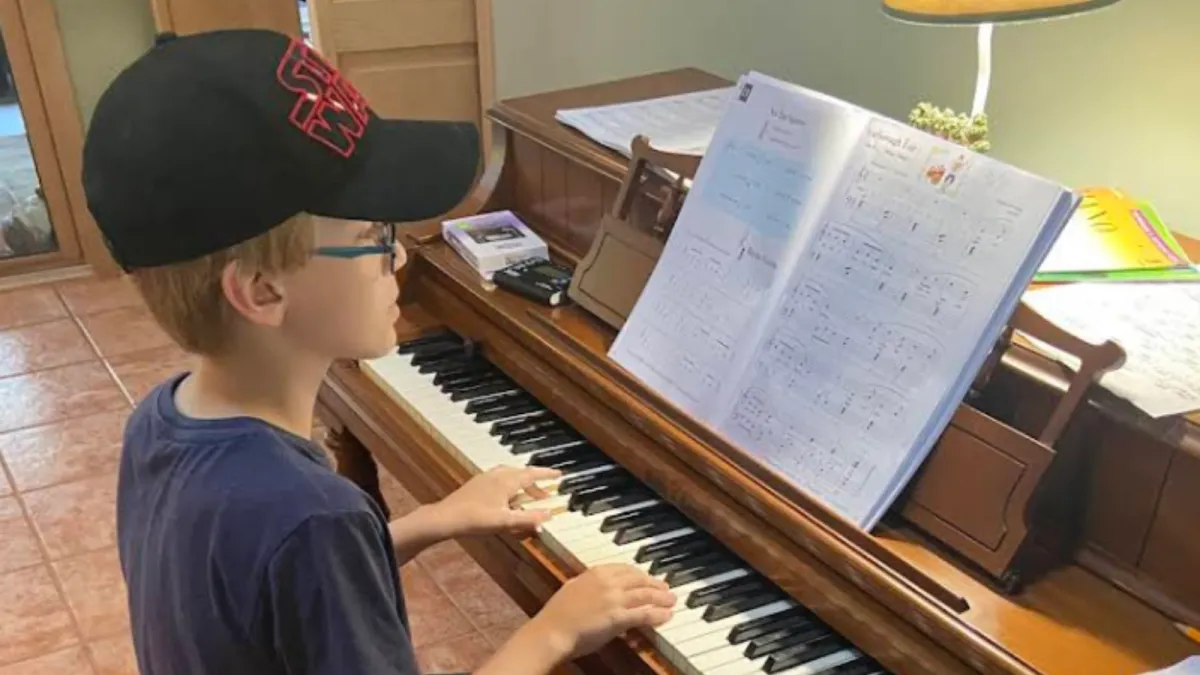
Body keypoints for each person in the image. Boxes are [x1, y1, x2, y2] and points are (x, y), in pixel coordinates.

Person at [82, 28, 676, 675]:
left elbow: (277, 589)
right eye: (372, 234)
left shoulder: (158, 422)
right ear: (260, 291)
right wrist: (554, 631)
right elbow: (309, 547)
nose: (396, 255)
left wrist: (434, 519)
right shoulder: (317, 518)